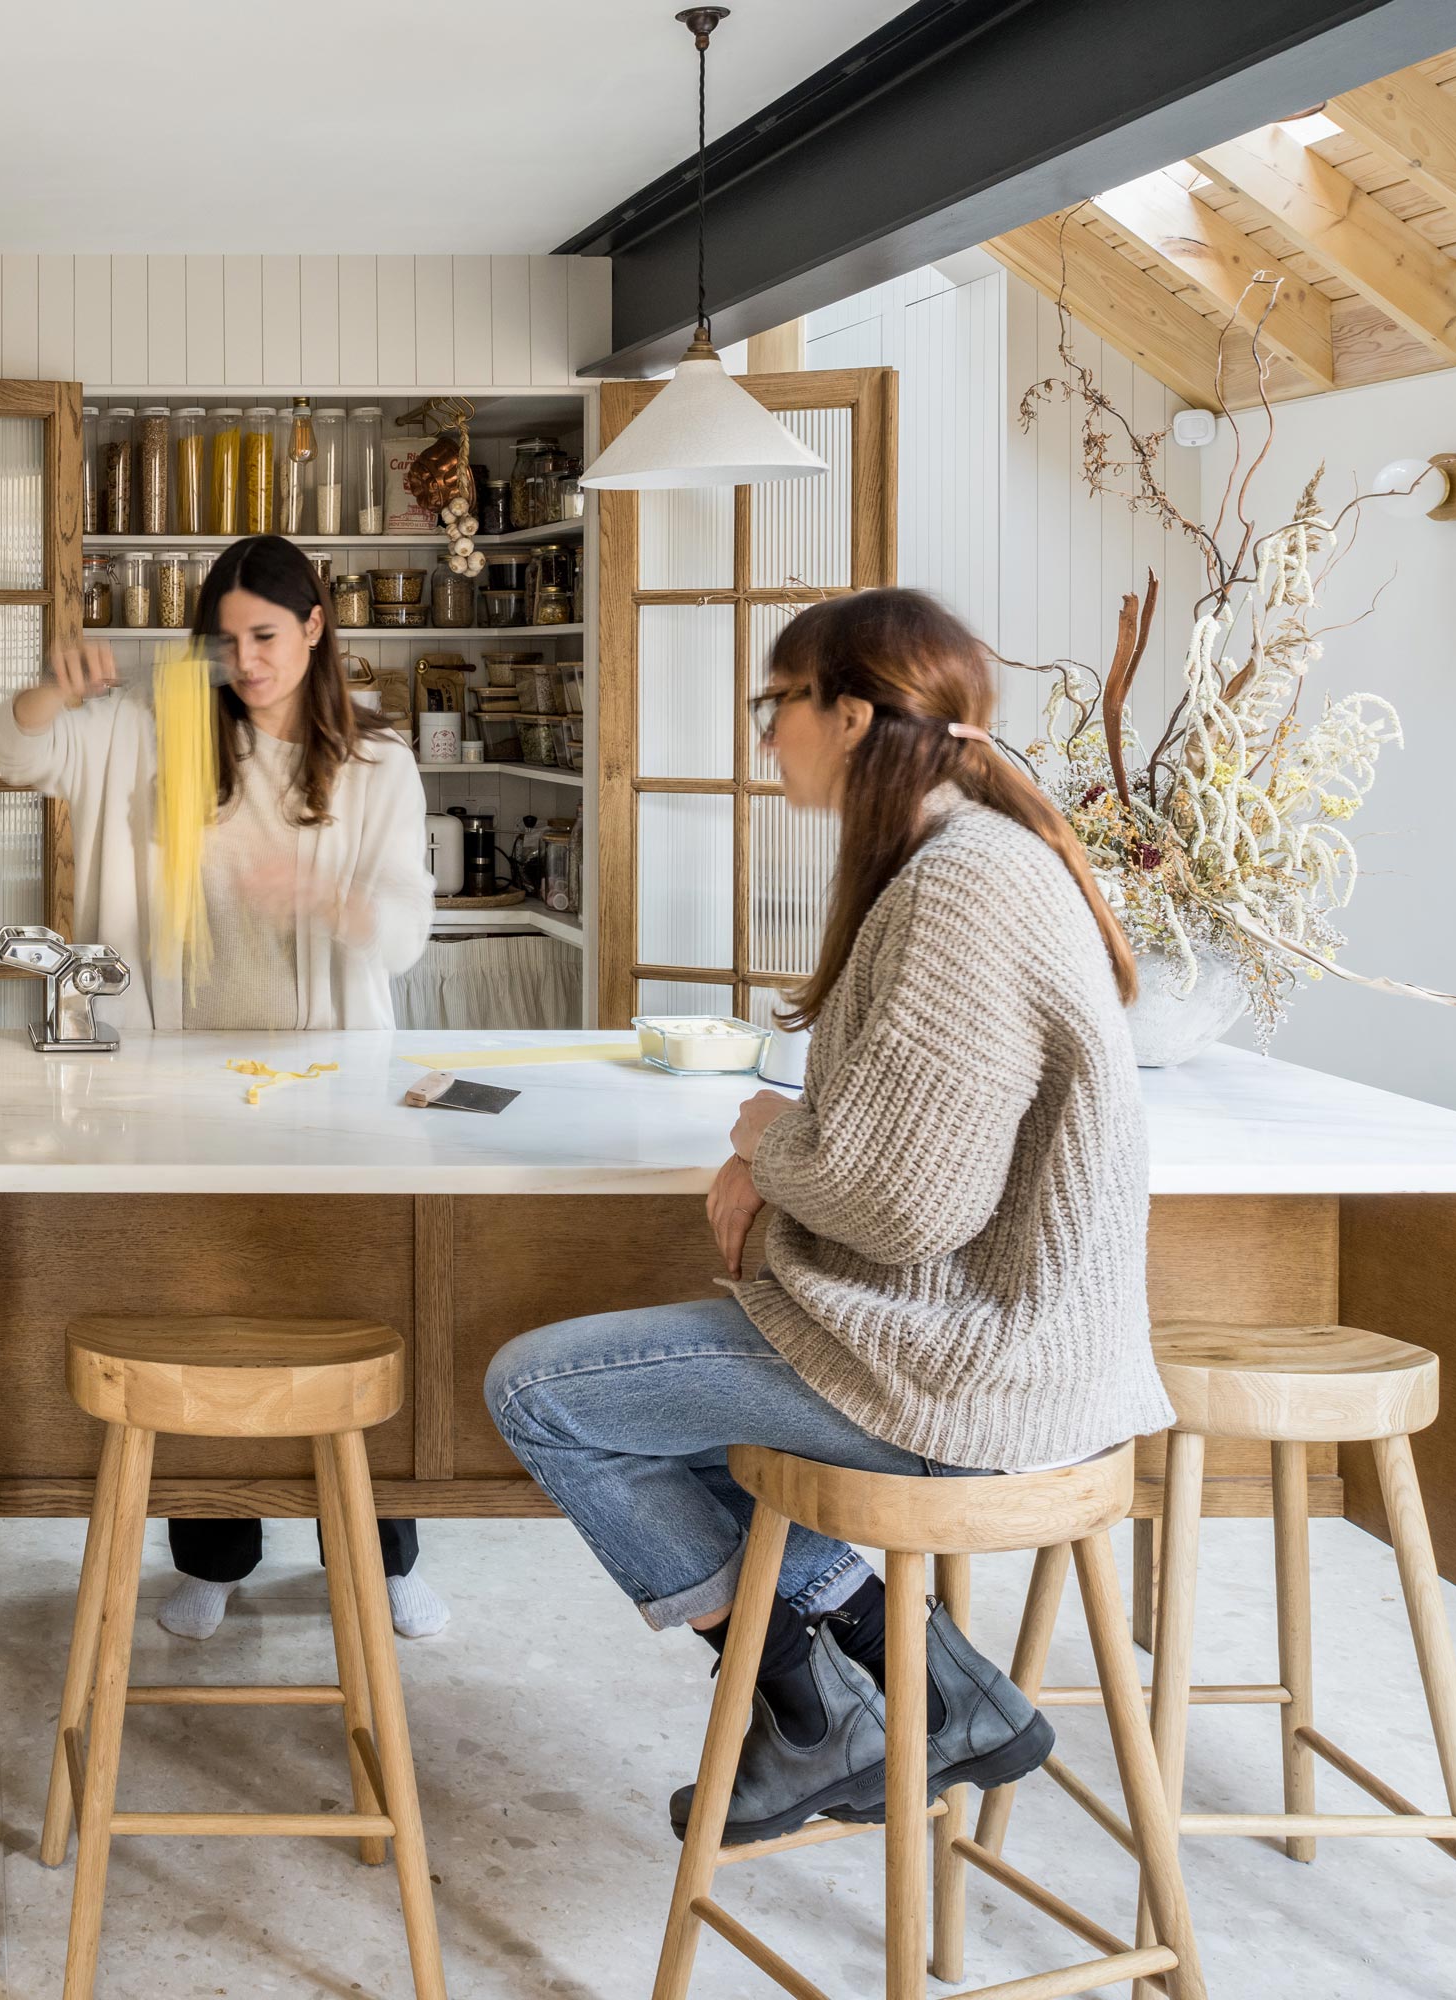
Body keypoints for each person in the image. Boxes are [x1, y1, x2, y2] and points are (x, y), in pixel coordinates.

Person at [482, 587, 1168, 1842]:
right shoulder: (972, 858)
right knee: (670, 1417)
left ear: (850, 714)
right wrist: (789, 1147)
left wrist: (763, 1140)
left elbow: (898, 1201)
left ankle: (810, 1713)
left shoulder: (957, 888)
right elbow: (911, 1142)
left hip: (960, 1371)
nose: (763, 736)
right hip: (996, 1357)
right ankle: (926, 1672)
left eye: (775, 704)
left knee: (541, 1392)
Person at [0, 533, 443, 1640]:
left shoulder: (377, 765)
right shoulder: (157, 740)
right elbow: (5, 750)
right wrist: (54, 689)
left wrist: (321, 899)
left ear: (317, 625)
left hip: (330, 1085)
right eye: (227, 639)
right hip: (181, 1080)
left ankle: (384, 1553)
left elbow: (408, 928)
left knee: (347, 1318)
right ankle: (213, 1549)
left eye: (267, 635)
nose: (246, 659)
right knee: (200, 1312)